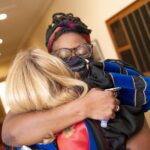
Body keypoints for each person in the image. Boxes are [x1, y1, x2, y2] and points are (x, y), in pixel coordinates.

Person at [2, 13, 150, 149]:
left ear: (90, 49)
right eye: (63, 54)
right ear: (52, 59)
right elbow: (11, 134)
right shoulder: (42, 92)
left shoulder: (111, 81)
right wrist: (86, 106)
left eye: (81, 50)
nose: (74, 59)